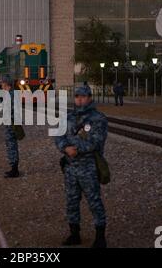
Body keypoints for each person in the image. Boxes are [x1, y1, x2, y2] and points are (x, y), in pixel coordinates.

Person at [55, 86, 108, 248]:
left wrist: (76, 150)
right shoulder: (68, 116)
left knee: (94, 201)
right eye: (77, 96)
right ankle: (74, 234)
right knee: (71, 201)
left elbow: (96, 141)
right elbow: (58, 136)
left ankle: (100, 237)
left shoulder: (98, 118)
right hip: (70, 168)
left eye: (83, 96)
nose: (79, 99)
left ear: (90, 97)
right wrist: (65, 148)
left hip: (89, 166)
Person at [1, 79, 20, 178]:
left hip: (11, 124)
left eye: (2, 85)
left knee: (11, 145)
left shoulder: (11, 95)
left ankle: (14, 169)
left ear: (6, 85)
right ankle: (14, 168)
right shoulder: (10, 94)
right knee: (11, 145)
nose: (1, 87)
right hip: (11, 123)